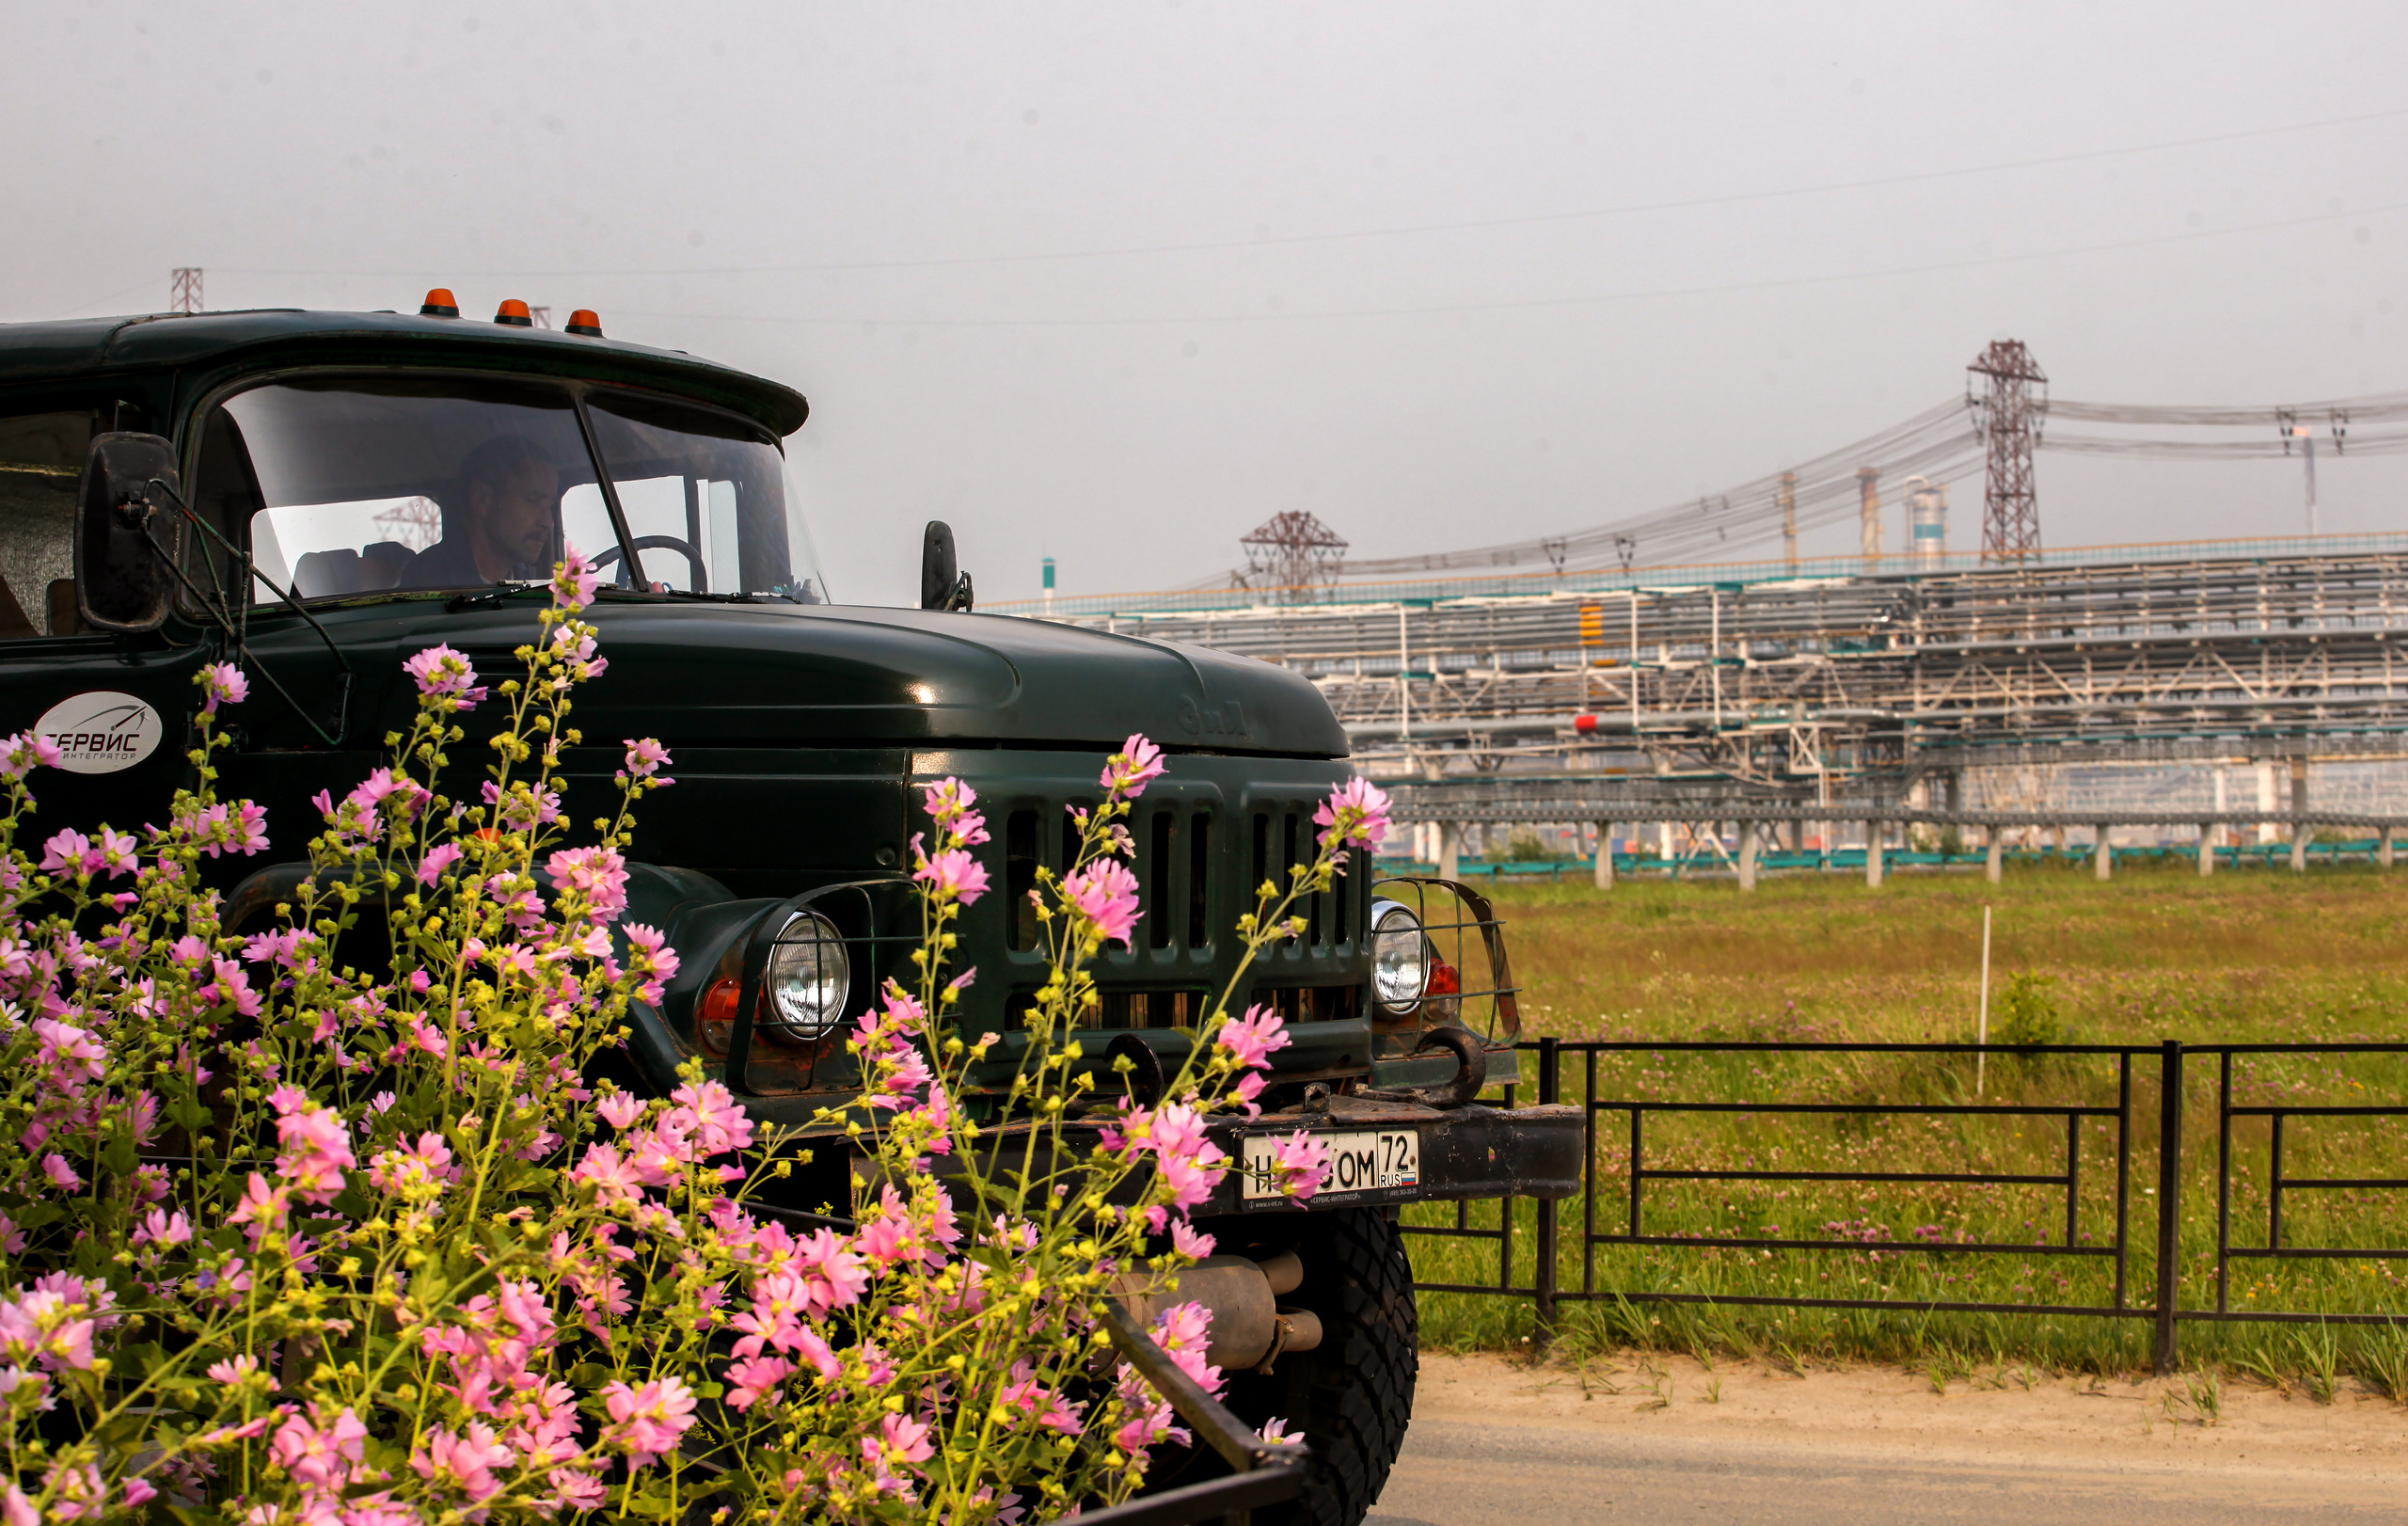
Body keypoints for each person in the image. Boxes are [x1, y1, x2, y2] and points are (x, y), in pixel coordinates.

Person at [400, 436, 561, 589]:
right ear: (483, 499)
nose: (547, 522)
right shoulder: (429, 582)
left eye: (549, 506)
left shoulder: (526, 583)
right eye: (533, 500)